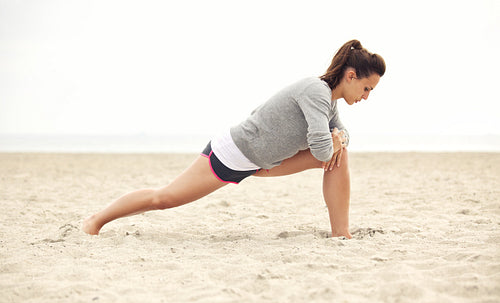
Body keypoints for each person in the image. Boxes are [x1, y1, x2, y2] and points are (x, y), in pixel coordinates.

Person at [82, 39, 385, 239]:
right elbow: (321, 149)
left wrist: (337, 139)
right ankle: (96, 221)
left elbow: (342, 136)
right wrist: (334, 140)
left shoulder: (328, 102)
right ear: (351, 75)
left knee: (339, 155)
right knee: (164, 199)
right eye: (367, 88)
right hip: (232, 154)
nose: (366, 97)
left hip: (263, 162)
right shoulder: (315, 92)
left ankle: (340, 234)